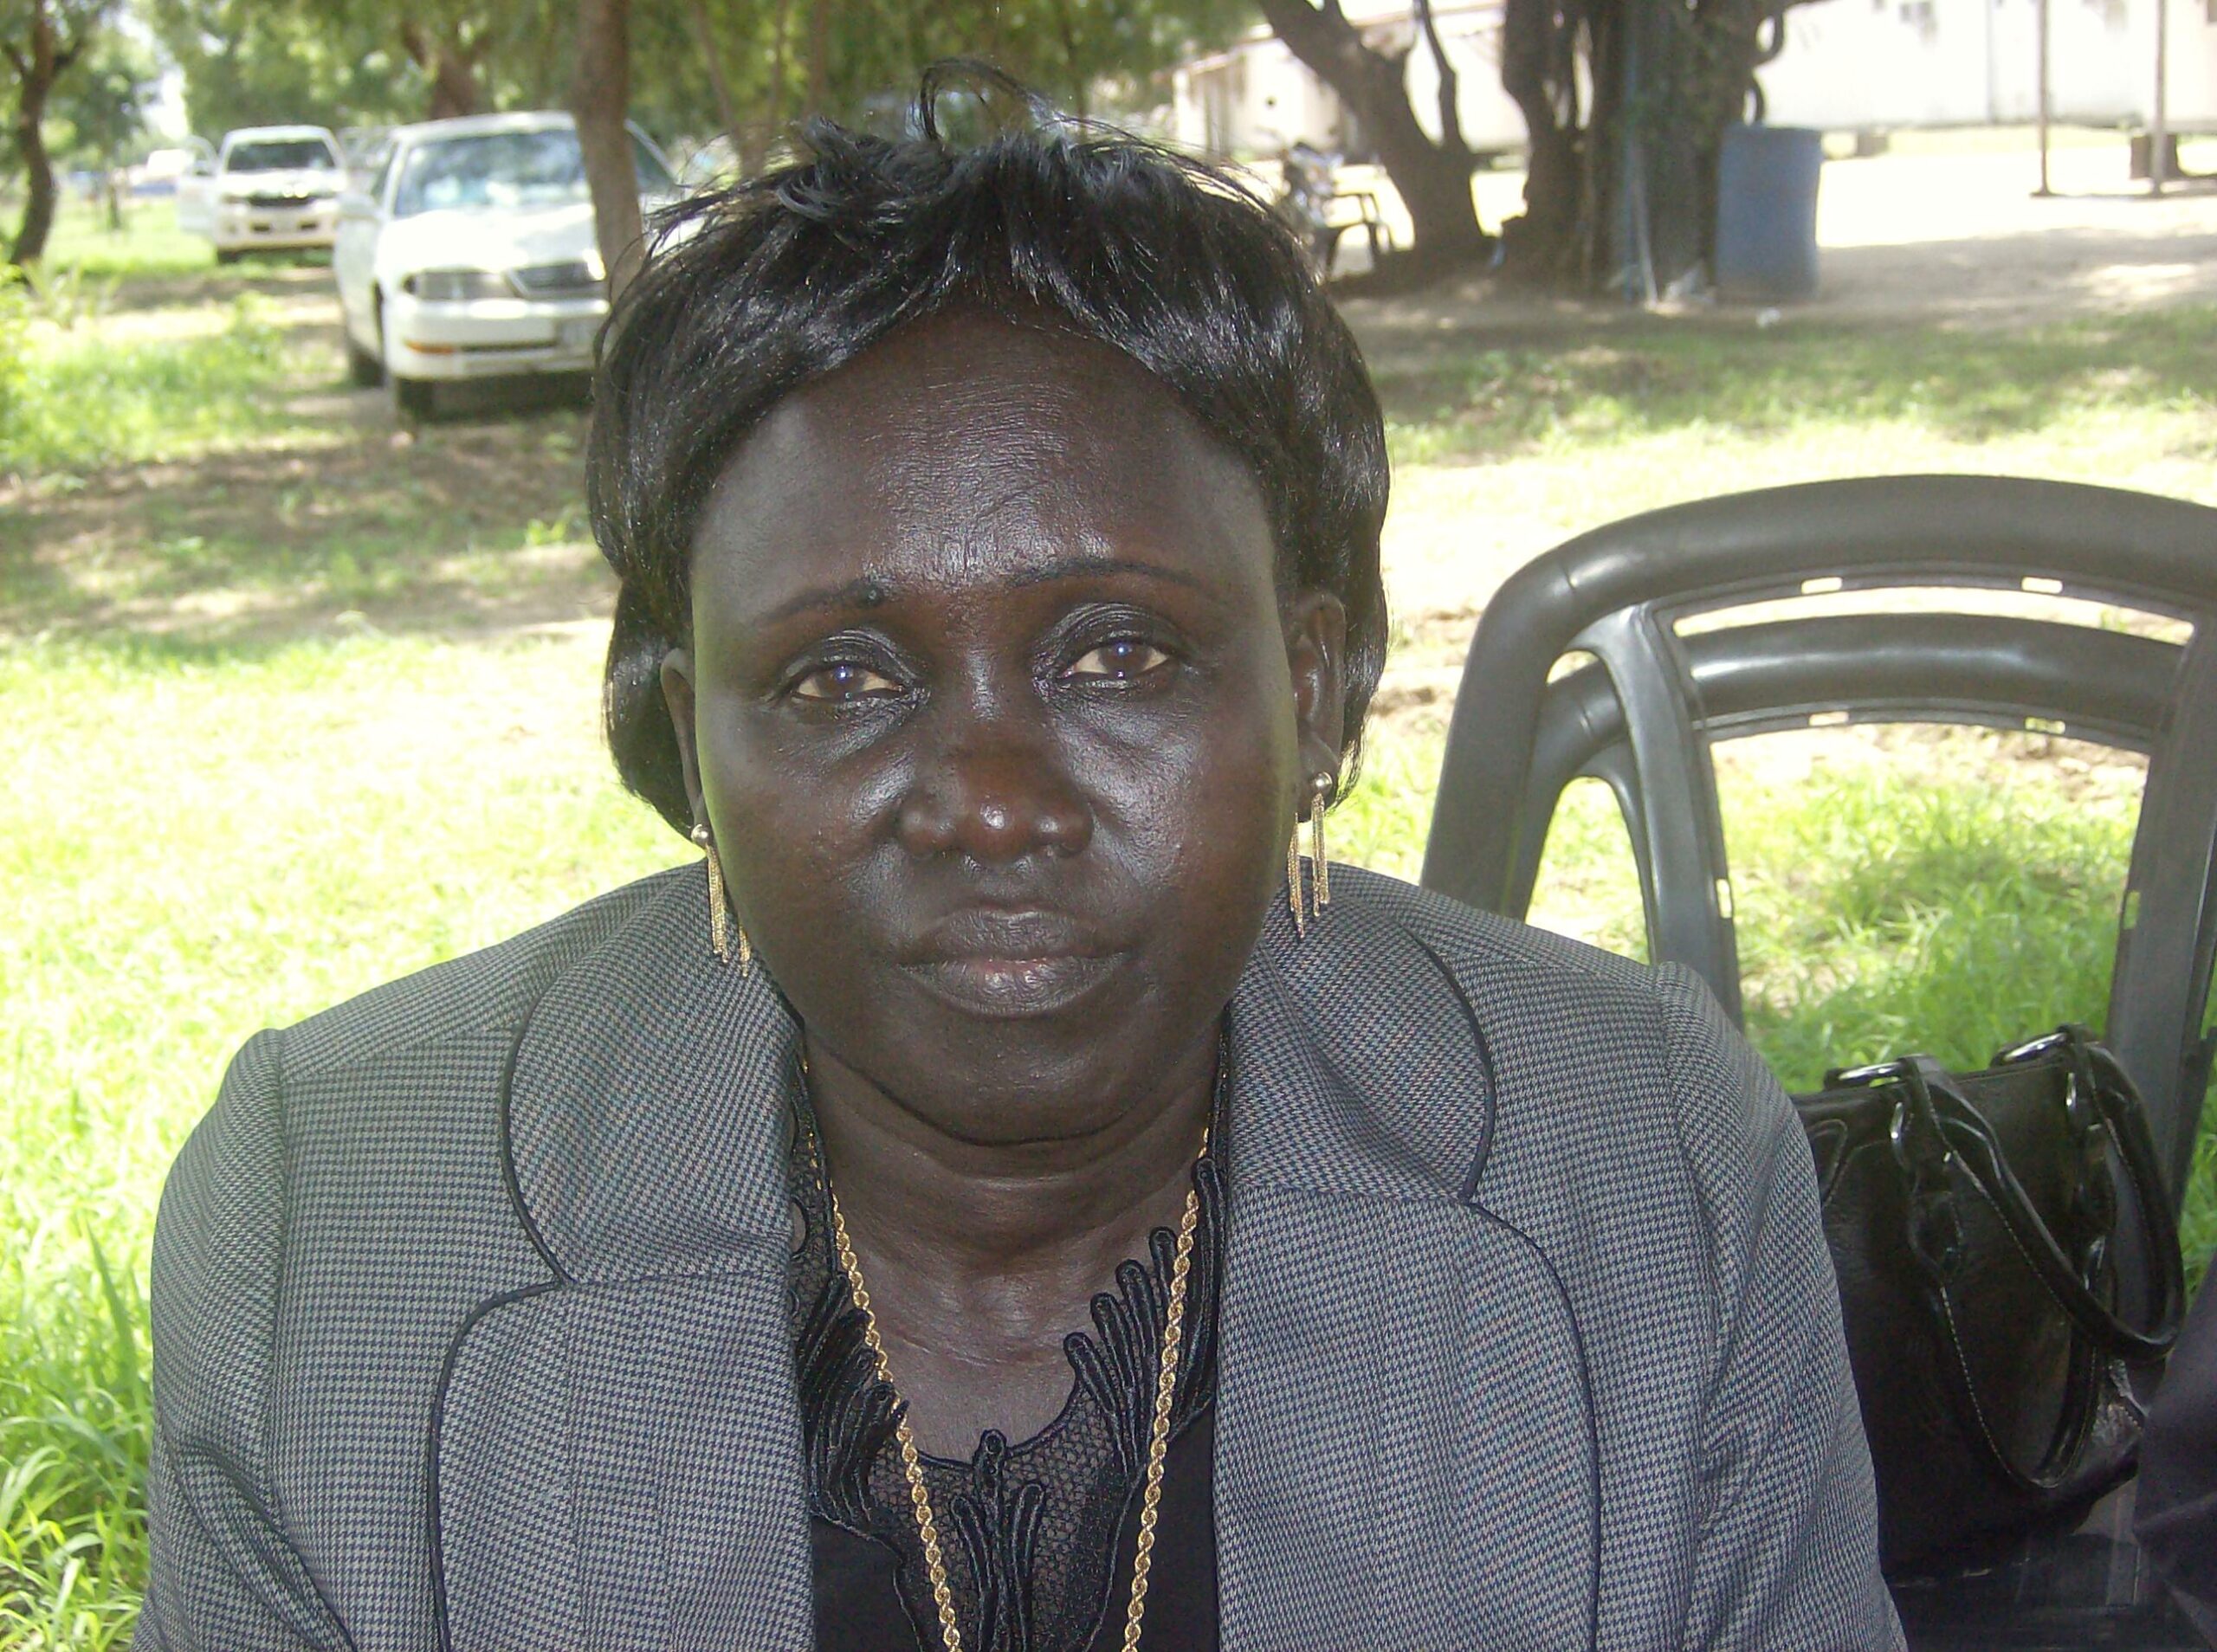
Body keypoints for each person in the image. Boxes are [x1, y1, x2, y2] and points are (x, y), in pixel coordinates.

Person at [140, 73, 1900, 1652]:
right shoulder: (345, 1211)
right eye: (841, 677)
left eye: (1117, 655)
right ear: (694, 743)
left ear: (1309, 685)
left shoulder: (1636, 1164)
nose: (991, 802)